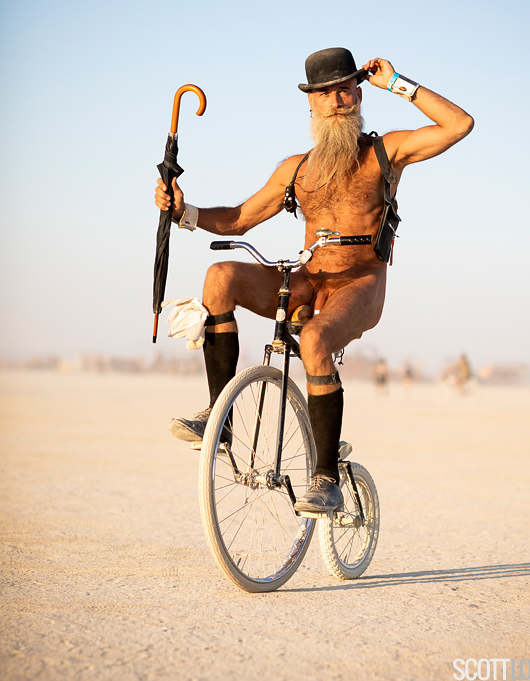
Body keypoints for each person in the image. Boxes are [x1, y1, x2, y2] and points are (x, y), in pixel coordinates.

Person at [154, 47, 474, 515]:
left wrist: (397, 82)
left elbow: (458, 125)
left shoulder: (385, 152)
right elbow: (240, 219)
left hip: (361, 282)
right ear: (311, 104)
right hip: (308, 276)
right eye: (325, 93)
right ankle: (217, 418)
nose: (337, 100)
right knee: (220, 275)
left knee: (316, 337)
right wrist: (184, 212)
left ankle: (325, 478)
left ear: (358, 94)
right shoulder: (297, 170)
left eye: (345, 89)